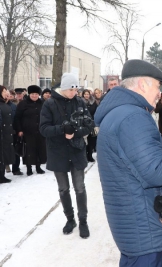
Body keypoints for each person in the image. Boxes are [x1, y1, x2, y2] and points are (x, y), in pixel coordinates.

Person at [94, 59, 162, 267]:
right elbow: (155, 171)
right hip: (142, 223)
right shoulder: (133, 117)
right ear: (142, 84)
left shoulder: (120, 112)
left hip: (133, 219)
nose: (160, 93)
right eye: (157, 86)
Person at [40, 73, 94, 239]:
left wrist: (75, 133)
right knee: (63, 189)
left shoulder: (80, 102)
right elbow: (43, 129)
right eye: (71, 89)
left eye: (76, 88)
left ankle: (83, 221)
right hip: (58, 153)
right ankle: (70, 219)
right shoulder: (49, 104)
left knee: (80, 188)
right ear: (63, 88)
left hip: (76, 151)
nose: (74, 92)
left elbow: (89, 124)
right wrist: (62, 130)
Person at [14, 85, 47, 176]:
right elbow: (17, 118)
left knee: (39, 148)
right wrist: (19, 129)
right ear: (29, 94)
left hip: (40, 131)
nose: (34, 96)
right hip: (27, 131)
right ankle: (29, 168)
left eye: (36, 94)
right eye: (32, 94)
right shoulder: (23, 104)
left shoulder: (42, 103)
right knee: (29, 150)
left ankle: (38, 167)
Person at [0, 86, 15, 184]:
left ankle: (2, 175)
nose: (7, 93)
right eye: (4, 91)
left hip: (6, 134)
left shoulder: (4, 104)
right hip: (2, 134)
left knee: (3, 155)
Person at [82, 89, 98, 162]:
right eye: (85, 94)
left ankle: (90, 155)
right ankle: (84, 156)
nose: (86, 95)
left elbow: (96, 111)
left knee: (91, 141)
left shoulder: (93, 102)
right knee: (85, 141)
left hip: (91, 123)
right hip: (83, 124)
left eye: (87, 94)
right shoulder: (80, 102)